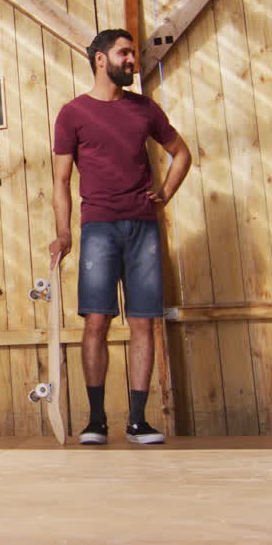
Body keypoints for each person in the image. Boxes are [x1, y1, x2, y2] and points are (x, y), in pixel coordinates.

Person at [49, 29, 192, 445]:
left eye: (132, 54)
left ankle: (137, 422)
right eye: (124, 53)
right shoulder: (72, 113)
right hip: (98, 228)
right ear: (100, 59)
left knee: (144, 322)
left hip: (143, 227)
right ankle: (96, 421)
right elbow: (60, 180)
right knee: (97, 320)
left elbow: (181, 153)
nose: (132, 60)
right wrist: (63, 233)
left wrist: (164, 193)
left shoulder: (144, 109)